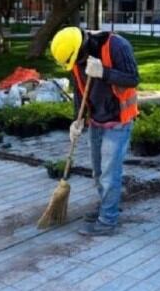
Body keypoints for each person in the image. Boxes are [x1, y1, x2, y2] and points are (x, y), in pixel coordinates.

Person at [50, 27, 139, 236]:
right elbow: (80, 91)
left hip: (118, 121)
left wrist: (104, 73)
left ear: (82, 45)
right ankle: (107, 206)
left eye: (78, 58)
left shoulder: (116, 45)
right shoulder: (76, 58)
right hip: (96, 121)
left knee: (109, 174)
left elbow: (133, 78)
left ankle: (108, 221)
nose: (77, 64)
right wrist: (77, 120)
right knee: (98, 173)